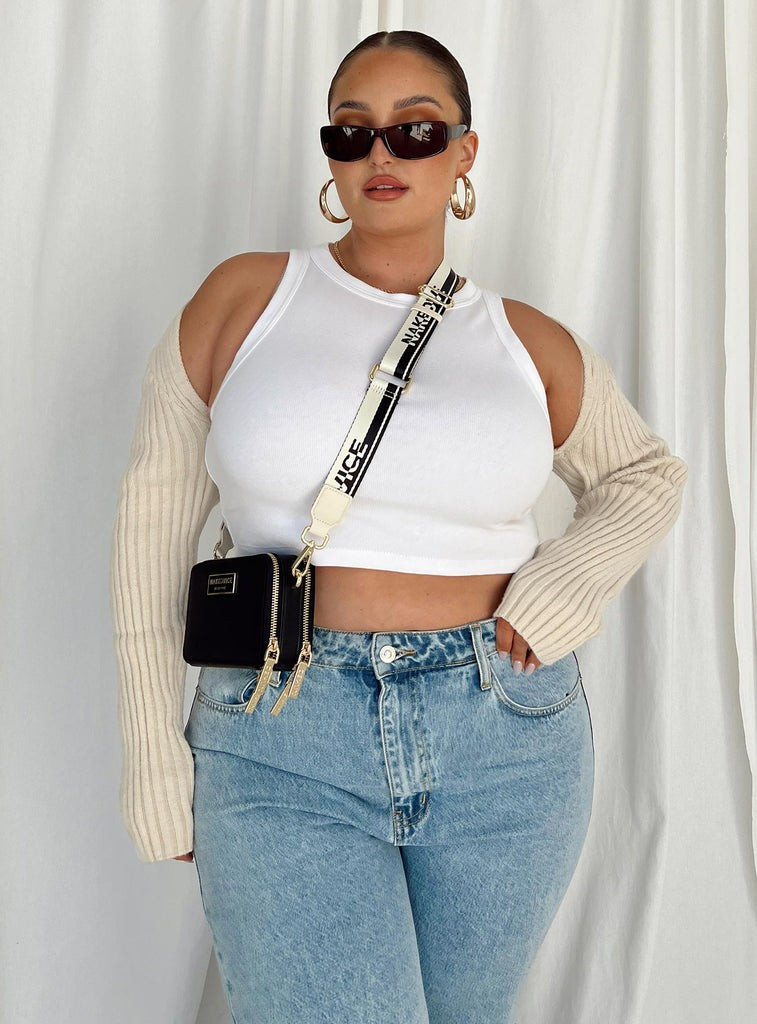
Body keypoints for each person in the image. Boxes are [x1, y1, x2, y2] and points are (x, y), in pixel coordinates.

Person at [110, 29, 688, 1024]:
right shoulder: (244, 299)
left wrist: (562, 584)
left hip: (505, 735)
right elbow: (149, 532)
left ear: (464, 153)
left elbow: (646, 474)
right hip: (279, 726)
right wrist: (151, 750)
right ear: (331, 156)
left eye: (416, 130)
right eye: (353, 131)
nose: (382, 152)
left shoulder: (524, 341)